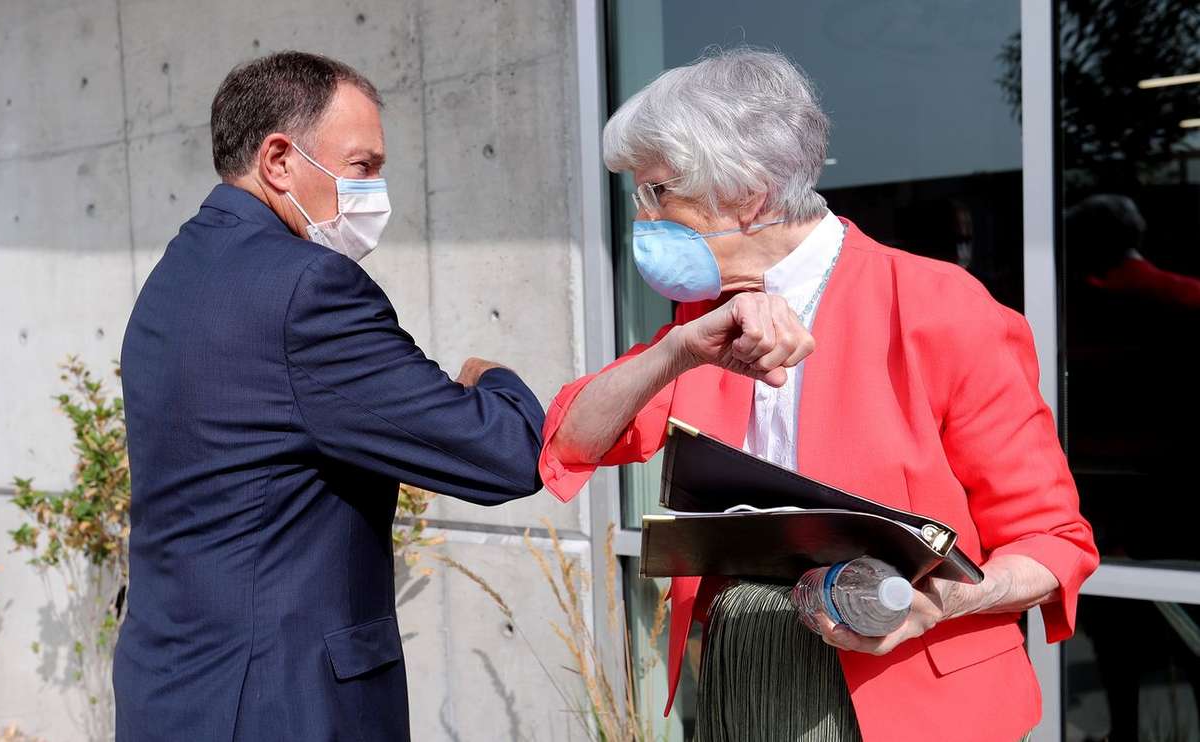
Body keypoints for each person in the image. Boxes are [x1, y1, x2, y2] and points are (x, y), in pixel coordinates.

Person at [540, 48, 1098, 741]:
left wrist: (942, 599)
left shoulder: (937, 306)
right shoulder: (701, 323)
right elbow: (571, 439)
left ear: (750, 192)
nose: (643, 216)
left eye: (658, 191)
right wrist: (675, 351)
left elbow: (1053, 541)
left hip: (918, 698)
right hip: (752, 680)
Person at [114, 52, 545, 742]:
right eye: (362, 166)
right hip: (280, 704)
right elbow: (505, 454)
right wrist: (491, 378)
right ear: (279, 160)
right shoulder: (308, 288)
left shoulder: (176, 271)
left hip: (171, 691)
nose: (377, 191)